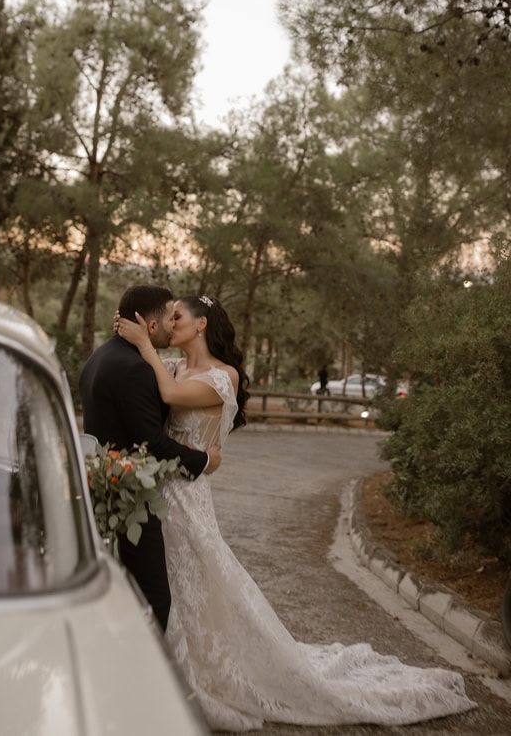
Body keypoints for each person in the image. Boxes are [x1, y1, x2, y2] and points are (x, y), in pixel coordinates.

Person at [116, 294, 477, 732]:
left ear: (201, 324)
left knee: (196, 576)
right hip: (162, 489)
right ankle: (171, 663)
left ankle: (201, 673)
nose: (170, 323)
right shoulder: (175, 367)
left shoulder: (222, 376)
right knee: (176, 581)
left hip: (188, 495)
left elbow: (170, 396)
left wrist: (144, 343)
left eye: (177, 316)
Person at [79, 284, 221, 632]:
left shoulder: (100, 357)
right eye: (170, 318)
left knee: (122, 590)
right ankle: (140, 663)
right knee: (154, 599)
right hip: (131, 496)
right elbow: (153, 444)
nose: (173, 326)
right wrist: (203, 460)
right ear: (151, 325)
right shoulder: (134, 368)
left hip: (105, 488)